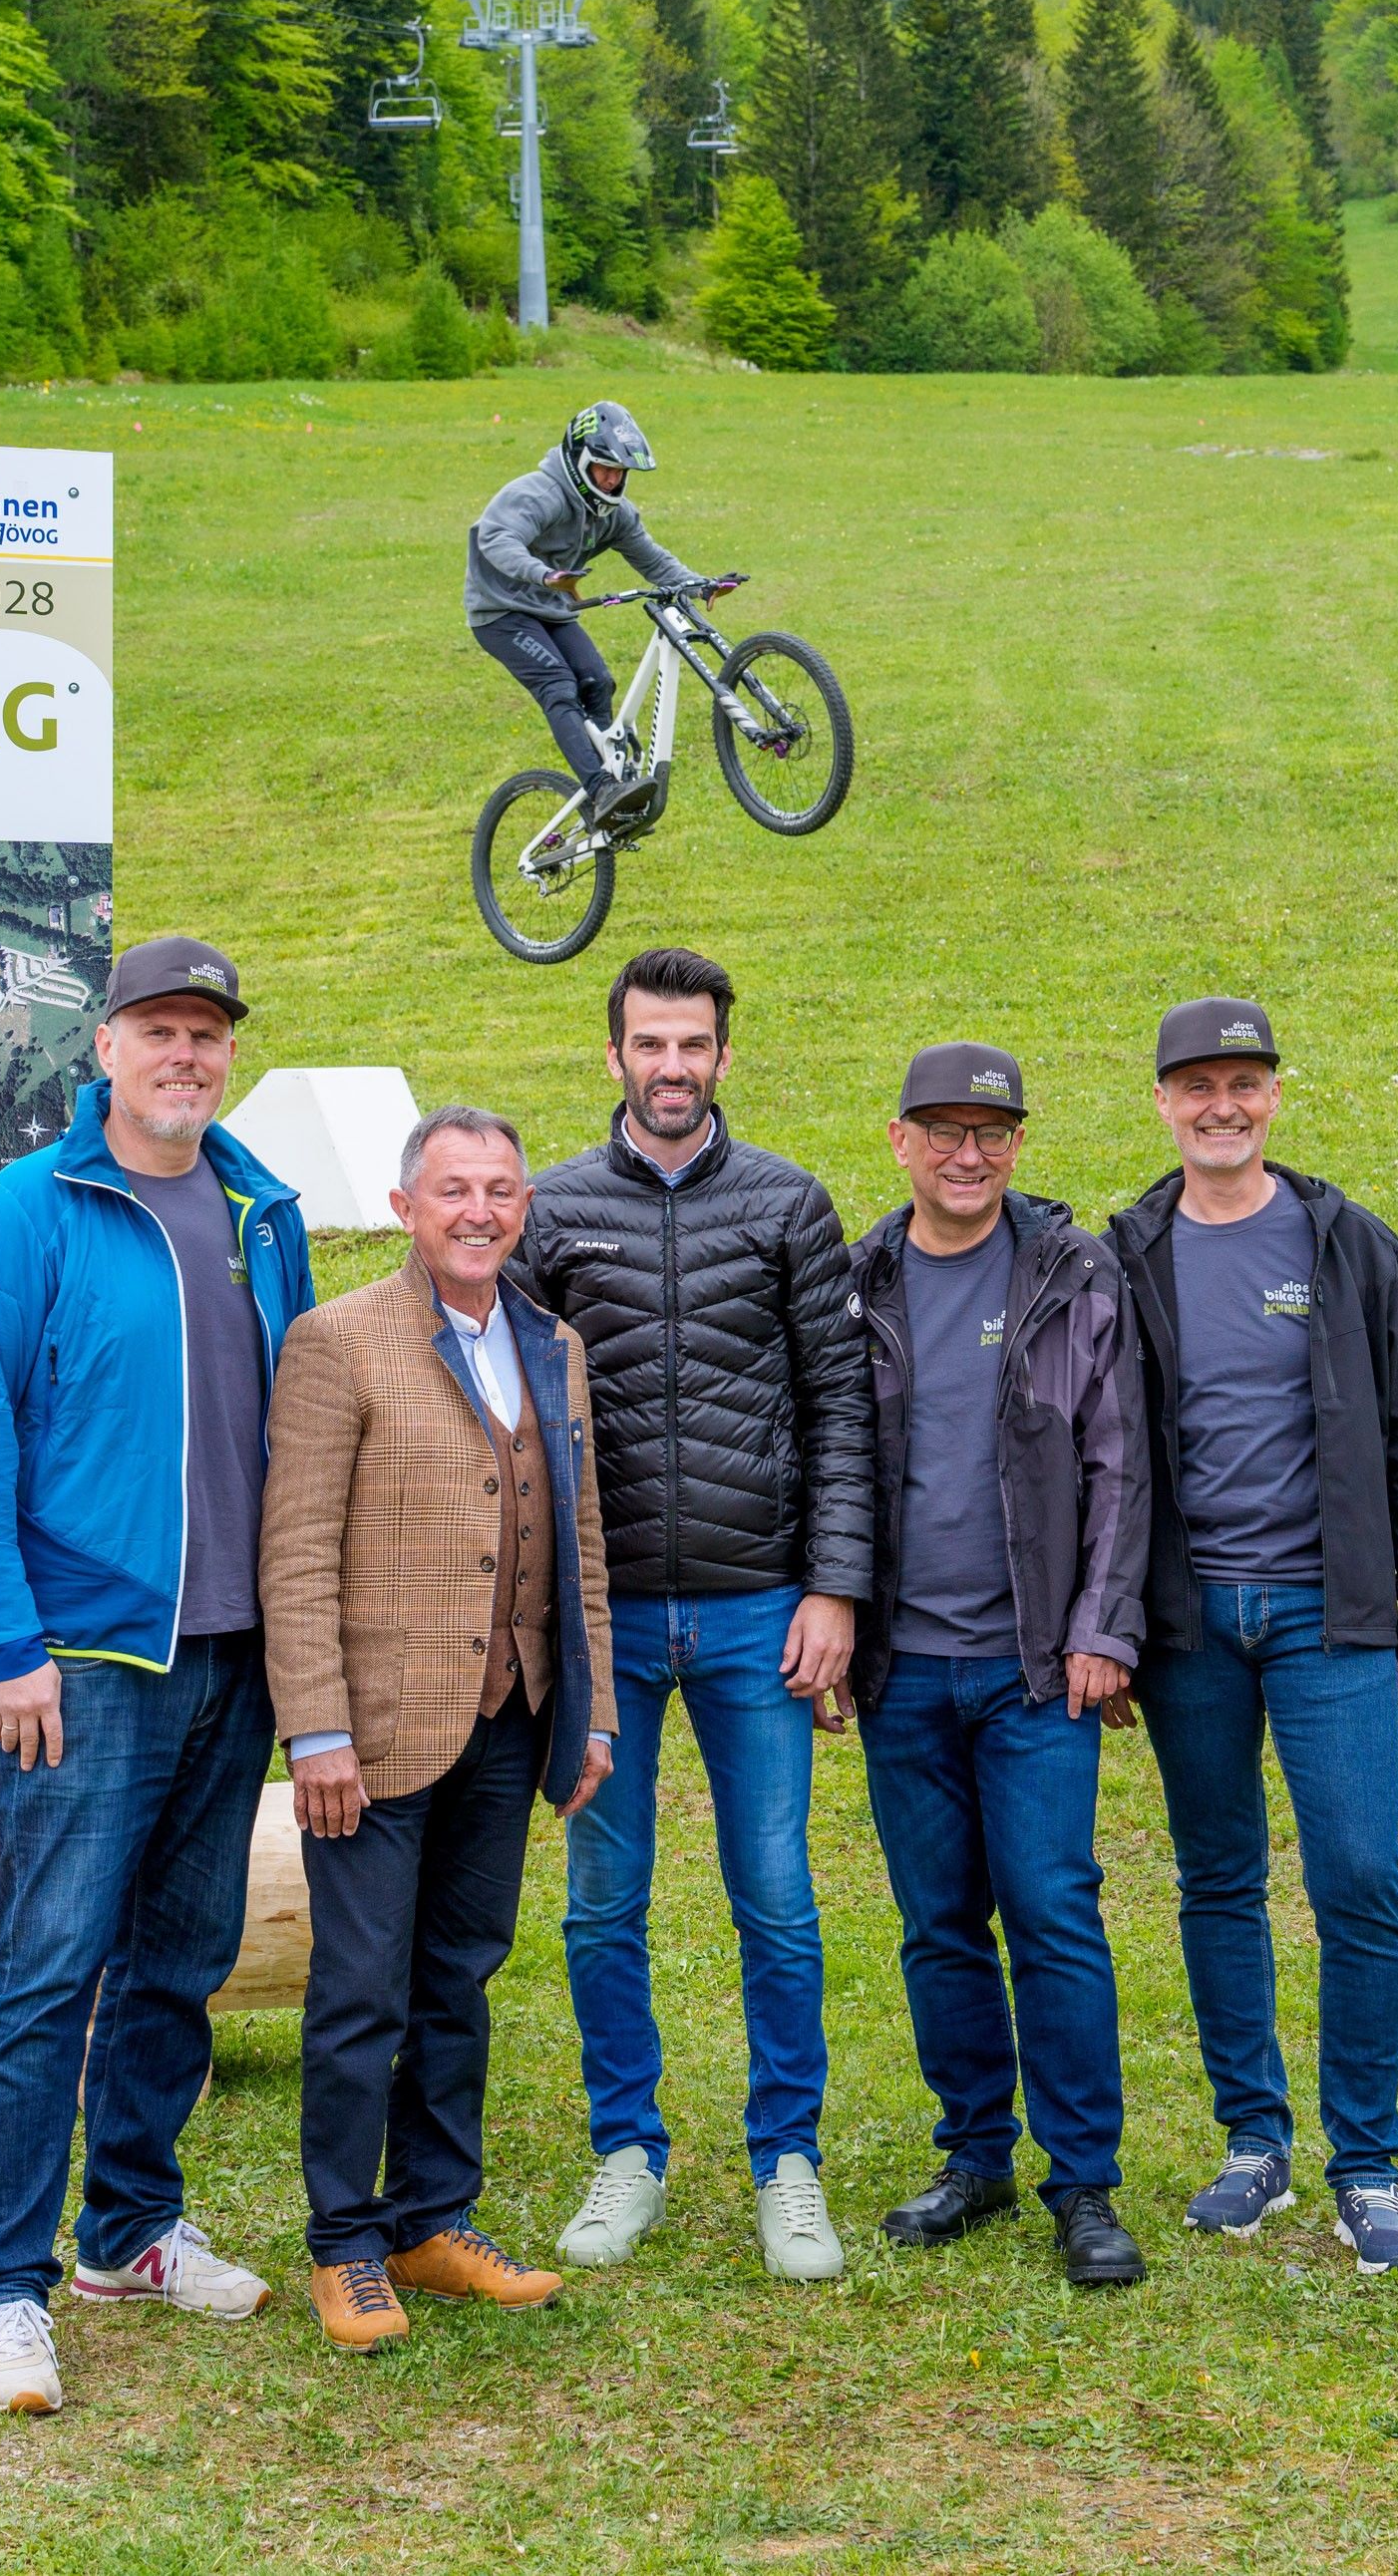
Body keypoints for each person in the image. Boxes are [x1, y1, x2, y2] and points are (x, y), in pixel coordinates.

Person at [0, 935, 311, 2418]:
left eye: (208, 1035)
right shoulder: (28, 1212)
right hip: (87, 1666)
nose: (185, 1057)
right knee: (45, 1973)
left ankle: (128, 2230)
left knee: (181, 1963)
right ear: (106, 1048)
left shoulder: (261, 1211)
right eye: (159, 1030)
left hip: (232, 1659)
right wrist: (8, 1645)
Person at [503, 944, 874, 2286]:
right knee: (605, 1894)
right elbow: (521, 1424)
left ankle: (789, 2157)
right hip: (603, 1621)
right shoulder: (549, 1211)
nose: (672, 1067)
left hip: (756, 1609)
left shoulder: (789, 1204)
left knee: (773, 1892)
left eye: (694, 1045)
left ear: (724, 1055)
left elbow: (842, 1407)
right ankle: (629, 2146)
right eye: (650, 1044)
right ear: (615, 1056)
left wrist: (833, 1585)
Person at [1109, 997, 1398, 2280]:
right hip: (1190, 1623)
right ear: (1161, 1101)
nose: (1221, 1105)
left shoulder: (1349, 1244)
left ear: (1273, 1096)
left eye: (1242, 1084)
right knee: (1217, 1877)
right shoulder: (1125, 1253)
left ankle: (1364, 2163)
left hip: (1331, 1616)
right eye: (1196, 1085)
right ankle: (1252, 2140)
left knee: (1359, 1878)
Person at [260, 1106, 618, 2354]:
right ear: (407, 1207)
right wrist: (314, 1732)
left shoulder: (554, 1342)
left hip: (510, 1718)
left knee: (459, 1978)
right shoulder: (335, 1342)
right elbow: (295, 1551)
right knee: (362, 1991)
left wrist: (592, 1715)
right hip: (373, 1729)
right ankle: (344, 2245)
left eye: (501, 1191)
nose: (480, 1212)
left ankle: (429, 2219)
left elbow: (578, 1547)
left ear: (525, 1209)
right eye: (454, 1190)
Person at [844, 1043, 1154, 2289]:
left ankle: (1081, 2183)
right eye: (943, 1130)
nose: (967, 1155)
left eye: (992, 1132)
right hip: (900, 1670)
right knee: (937, 1924)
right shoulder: (857, 1279)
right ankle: (973, 2152)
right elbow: (829, 1465)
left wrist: (1101, 1627)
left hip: (1035, 1670)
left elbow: (1119, 1464)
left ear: (1019, 1143)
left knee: (1054, 1915)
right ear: (900, 1139)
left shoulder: (1072, 1274)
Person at [465, 401, 736, 815]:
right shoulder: (539, 494)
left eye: (620, 472)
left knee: (597, 680)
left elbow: (653, 560)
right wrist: (543, 575)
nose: (612, 481)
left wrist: (700, 585)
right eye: (603, 469)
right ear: (579, 462)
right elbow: (496, 537)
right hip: (500, 611)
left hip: (552, 608)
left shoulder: (613, 514)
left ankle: (615, 785)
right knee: (557, 683)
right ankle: (602, 789)